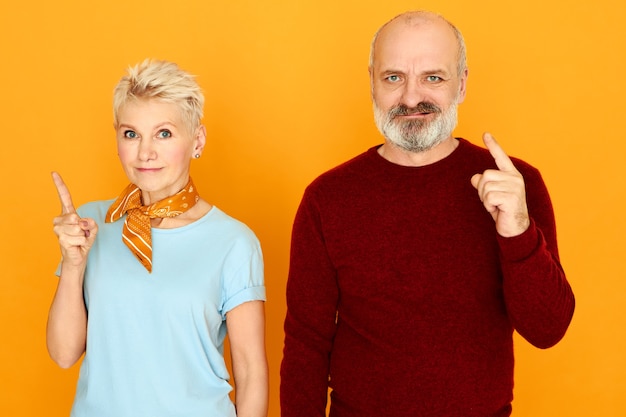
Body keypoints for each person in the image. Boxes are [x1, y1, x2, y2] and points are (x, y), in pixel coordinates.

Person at [280, 10, 575, 417]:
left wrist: (518, 231)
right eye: (393, 77)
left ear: (462, 83)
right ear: (372, 83)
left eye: (432, 77)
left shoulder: (515, 184)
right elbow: (305, 344)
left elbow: (548, 330)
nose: (410, 97)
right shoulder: (326, 198)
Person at [47, 59, 268, 417]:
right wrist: (73, 266)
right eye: (131, 134)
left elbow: (251, 373)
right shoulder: (90, 225)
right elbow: (63, 353)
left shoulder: (234, 242)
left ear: (197, 140)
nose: (145, 152)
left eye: (164, 133)